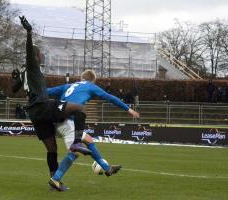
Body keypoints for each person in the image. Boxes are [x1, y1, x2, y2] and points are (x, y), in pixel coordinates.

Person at [14, 16, 92, 185]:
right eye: (40, 54)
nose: (41, 57)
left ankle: (54, 180)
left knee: (52, 149)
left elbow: (13, 89)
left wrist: (15, 79)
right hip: (43, 106)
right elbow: (29, 52)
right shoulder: (32, 65)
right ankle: (77, 143)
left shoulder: (23, 73)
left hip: (34, 114)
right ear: (36, 56)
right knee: (79, 109)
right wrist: (28, 32)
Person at [47, 69, 140, 191]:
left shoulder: (68, 86)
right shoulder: (90, 86)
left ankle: (107, 168)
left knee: (89, 141)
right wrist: (129, 110)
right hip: (67, 121)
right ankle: (56, 179)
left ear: (82, 78)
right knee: (76, 151)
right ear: (92, 80)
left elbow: (47, 91)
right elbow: (110, 97)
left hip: (57, 119)